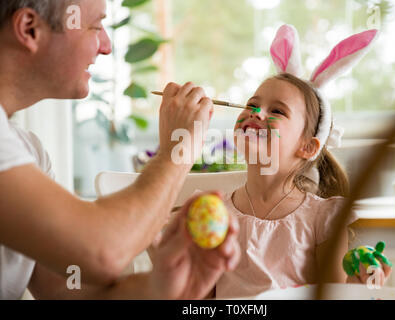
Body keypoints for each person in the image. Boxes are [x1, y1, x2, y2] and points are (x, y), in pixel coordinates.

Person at [0, 0, 240, 300]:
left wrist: (161, 286)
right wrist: (177, 151)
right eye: (96, 26)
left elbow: (63, 289)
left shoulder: (27, 150)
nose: (106, 46)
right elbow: (102, 251)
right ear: (29, 29)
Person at [212, 25, 392, 298]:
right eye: (252, 105)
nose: (256, 113)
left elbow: (333, 297)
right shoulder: (215, 213)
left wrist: (361, 287)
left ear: (307, 147)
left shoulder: (322, 218)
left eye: (277, 110)